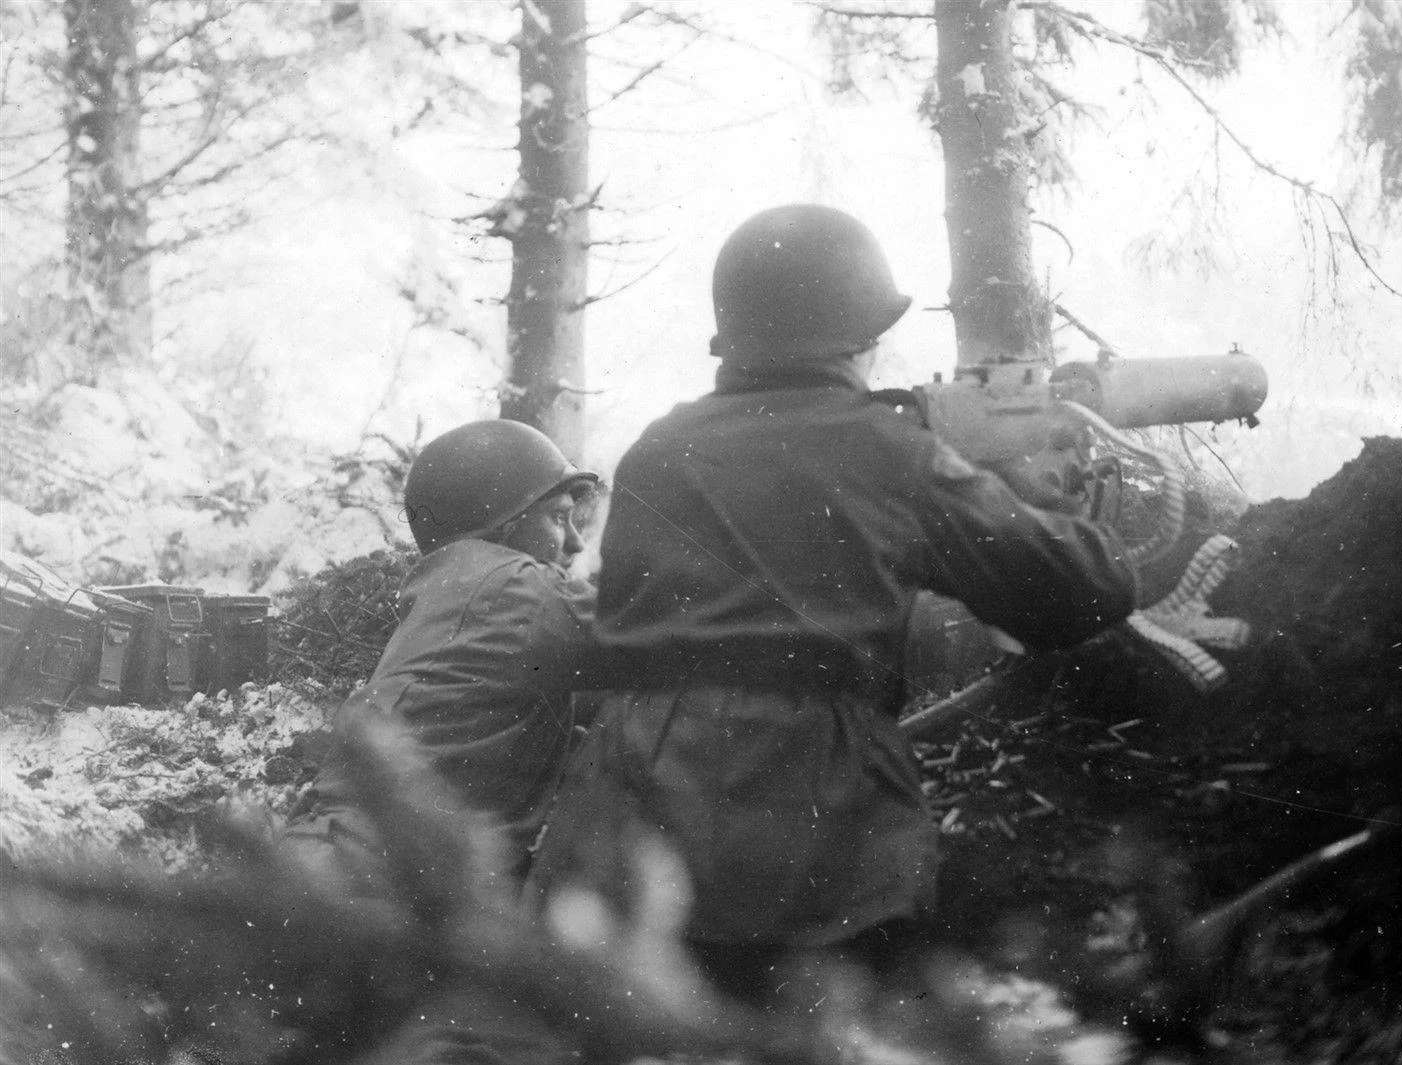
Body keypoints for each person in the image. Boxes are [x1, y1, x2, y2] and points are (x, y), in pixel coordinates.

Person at [531, 204, 1139, 996]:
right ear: (856, 336)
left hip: (633, 788)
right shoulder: (889, 449)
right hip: (814, 799)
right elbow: (1082, 590)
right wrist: (1013, 480)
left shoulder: (657, 448)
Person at [289, 418, 602, 897]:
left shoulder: (458, 587)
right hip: (372, 877)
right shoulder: (513, 586)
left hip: (344, 859)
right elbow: (652, 631)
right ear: (506, 522)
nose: (575, 543)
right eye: (559, 518)